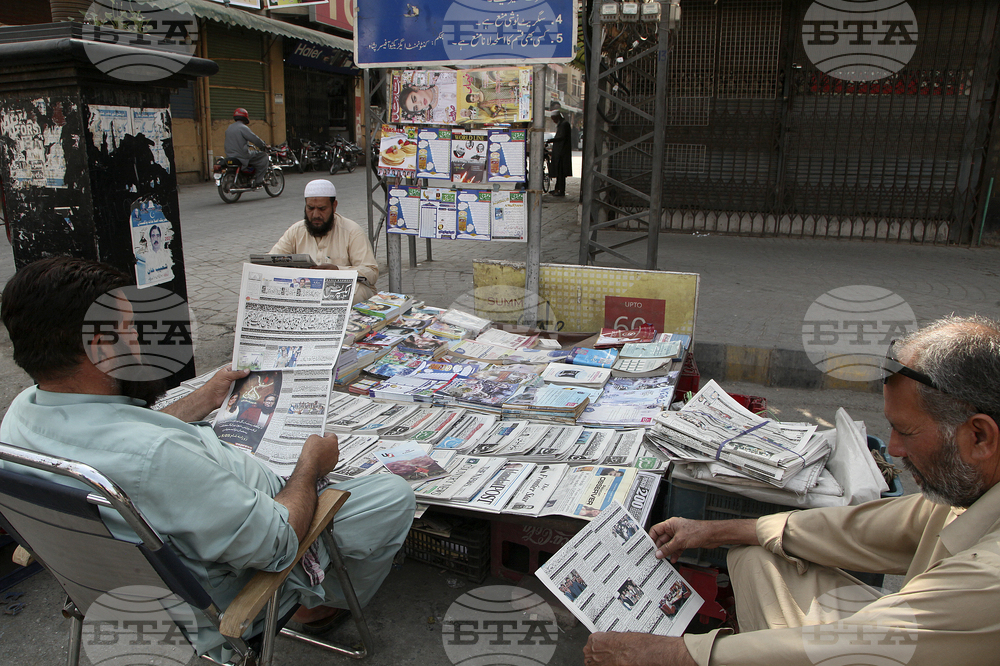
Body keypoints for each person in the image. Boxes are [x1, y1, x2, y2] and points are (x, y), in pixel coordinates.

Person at [0, 256, 415, 658]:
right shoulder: (158, 457)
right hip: (222, 597)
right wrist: (309, 467)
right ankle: (315, 604)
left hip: (123, 584)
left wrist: (203, 399)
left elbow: (119, 437)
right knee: (392, 496)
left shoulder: (21, 417)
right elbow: (277, 543)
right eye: (132, 329)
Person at [583, 315, 1000, 666]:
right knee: (752, 555)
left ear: (980, 437)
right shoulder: (972, 492)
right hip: (892, 635)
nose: (893, 449)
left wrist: (672, 654)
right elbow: (864, 528)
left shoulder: (988, 581)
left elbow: (861, 645)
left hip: (882, 645)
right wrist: (714, 530)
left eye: (905, 432)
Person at [270, 179, 378, 304]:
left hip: (339, 292)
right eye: (310, 208)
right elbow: (271, 261)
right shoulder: (295, 231)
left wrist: (338, 270)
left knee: (357, 293)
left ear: (334, 206)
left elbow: (371, 272)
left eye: (322, 209)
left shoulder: (352, 231)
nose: (315, 215)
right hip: (306, 292)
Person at [225, 107, 268, 187]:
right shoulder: (243, 128)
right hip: (242, 155)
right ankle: (259, 180)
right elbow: (254, 139)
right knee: (263, 156)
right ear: (245, 117)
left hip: (230, 156)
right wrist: (263, 145)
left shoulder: (229, 128)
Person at [546, 109, 572, 197]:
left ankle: (561, 190)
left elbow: (562, 137)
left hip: (562, 153)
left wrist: (550, 140)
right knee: (559, 172)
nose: (553, 121)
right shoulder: (561, 124)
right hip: (559, 151)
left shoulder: (564, 124)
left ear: (557, 117)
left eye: (554, 119)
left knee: (561, 173)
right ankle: (557, 189)